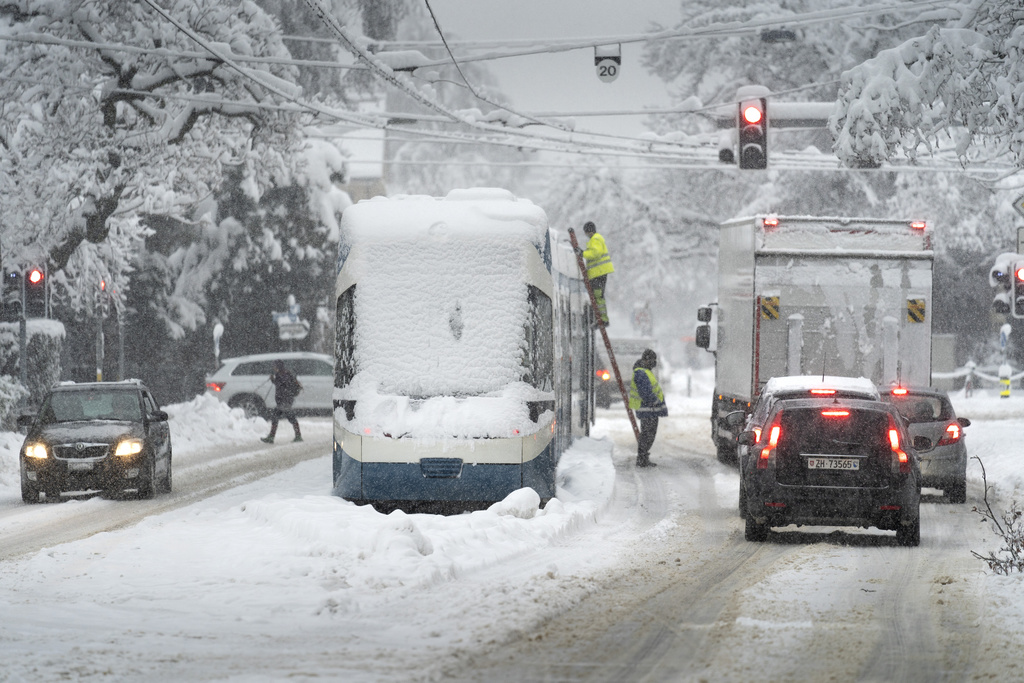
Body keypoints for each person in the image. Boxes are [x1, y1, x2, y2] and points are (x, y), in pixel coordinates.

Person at [629, 349, 667, 468]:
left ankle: (643, 457)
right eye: (652, 360)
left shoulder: (645, 371)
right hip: (647, 409)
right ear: (645, 360)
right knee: (647, 434)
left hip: (649, 410)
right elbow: (645, 392)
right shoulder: (641, 372)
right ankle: (642, 458)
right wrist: (655, 402)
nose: (653, 363)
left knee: (648, 434)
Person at [580, 221, 614, 327]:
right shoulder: (597, 239)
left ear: (589, 231)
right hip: (599, 273)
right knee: (598, 297)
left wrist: (582, 253)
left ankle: (603, 320)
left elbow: (596, 253)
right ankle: (601, 319)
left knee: (598, 296)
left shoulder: (595, 239)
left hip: (598, 273)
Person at [261, 360, 303, 444]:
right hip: (285, 400)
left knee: (280, 417)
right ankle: (297, 435)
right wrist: (273, 380)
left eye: (275, 366)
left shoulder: (283, 375)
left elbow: (283, 385)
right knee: (287, 417)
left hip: (285, 400)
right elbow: (281, 384)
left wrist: (274, 380)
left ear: (278, 366)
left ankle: (271, 437)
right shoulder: (284, 374)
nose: (274, 368)